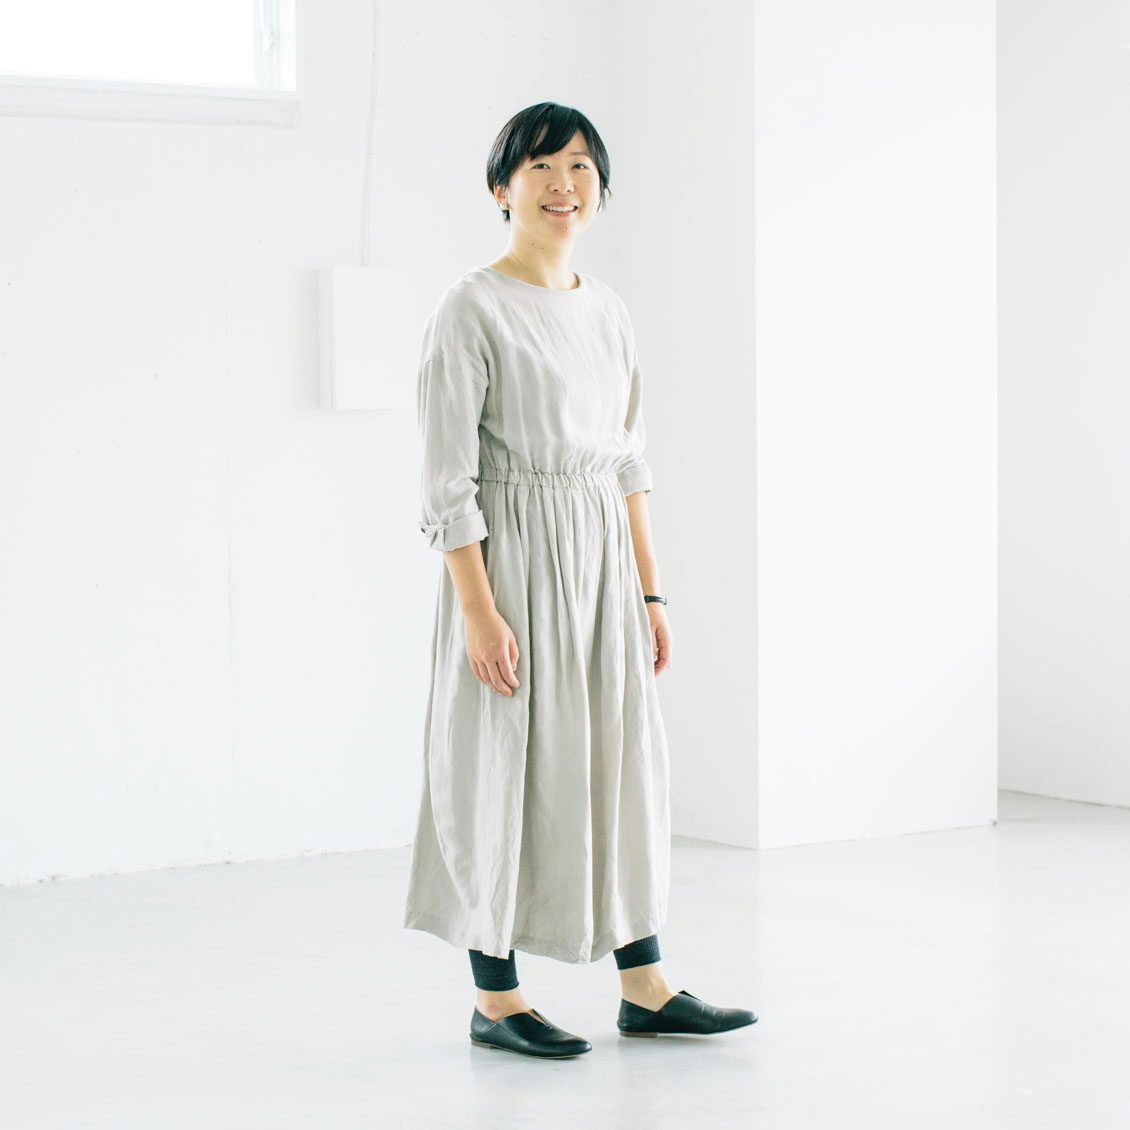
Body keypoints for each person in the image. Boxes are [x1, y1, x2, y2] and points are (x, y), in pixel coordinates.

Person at [402, 102, 757, 1059]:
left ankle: (645, 985)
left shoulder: (606, 310)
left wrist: (650, 592)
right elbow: (446, 481)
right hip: (514, 563)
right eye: (541, 166)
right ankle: (496, 1000)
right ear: (501, 187)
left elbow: (628, 463)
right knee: (504, 764)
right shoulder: (471, 308)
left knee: (617, 762)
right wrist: (479, 613)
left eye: (580, 167)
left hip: (601, 562)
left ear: (599, 188)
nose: (563, 184)